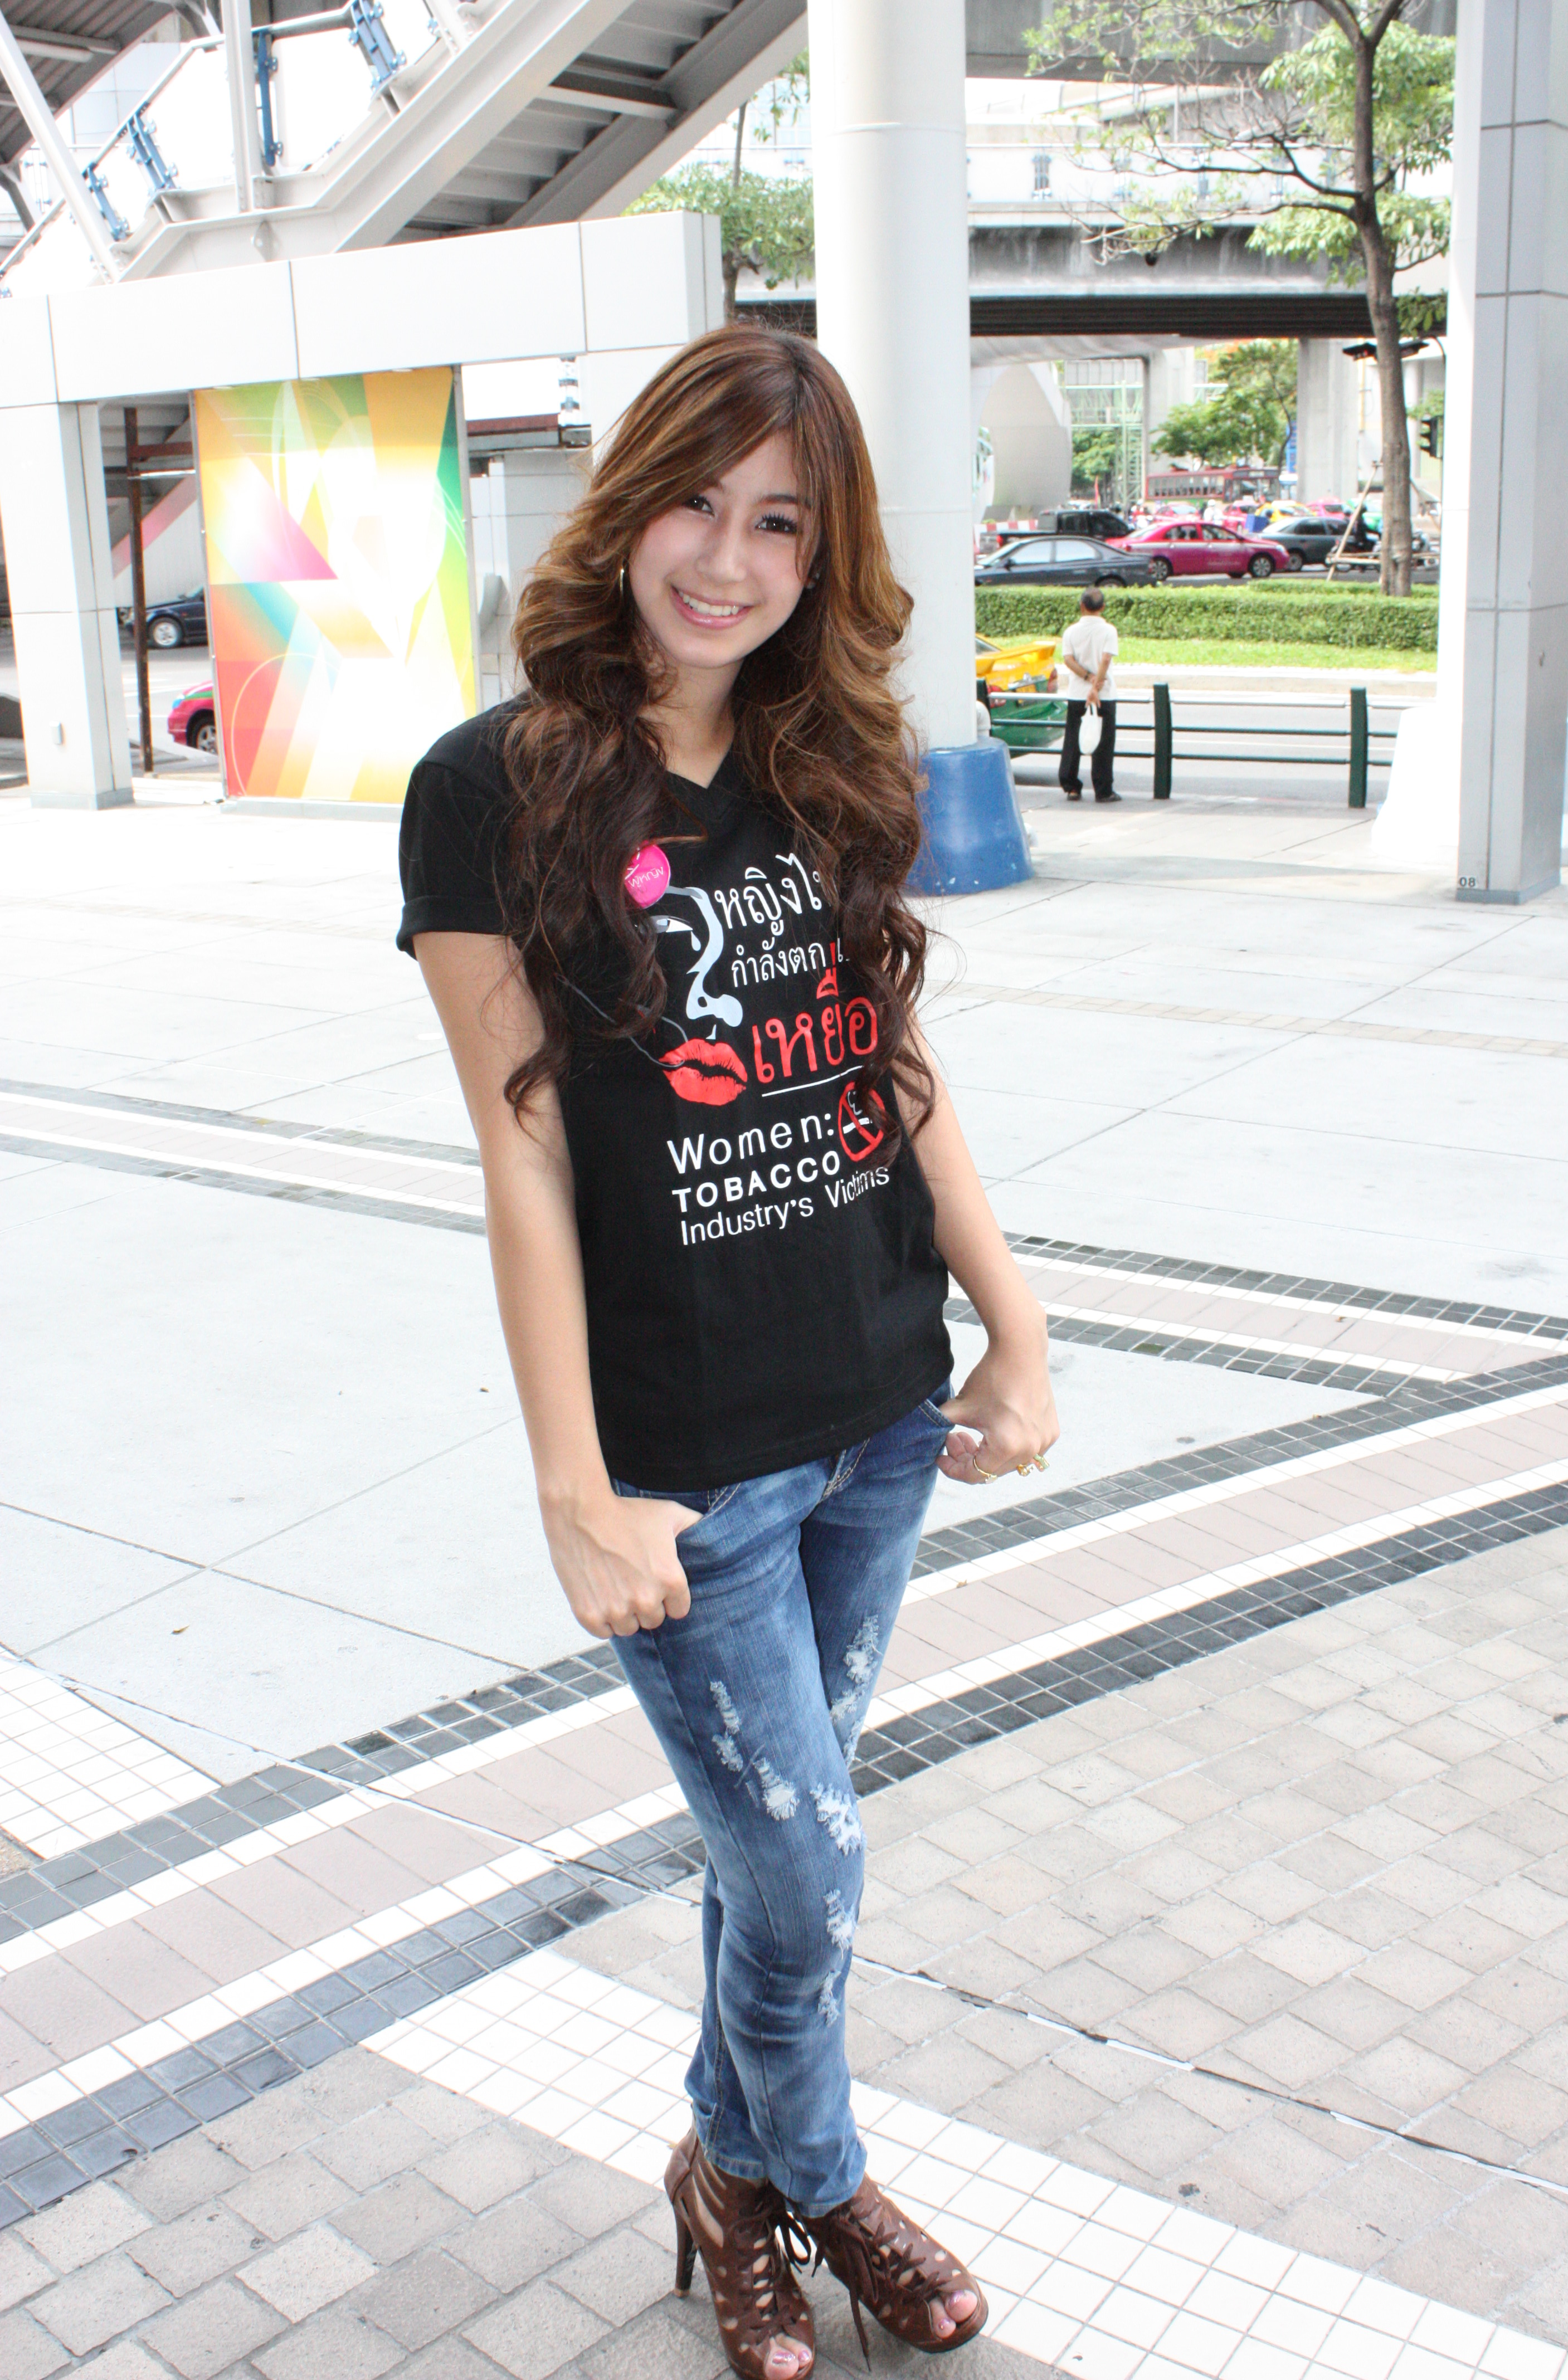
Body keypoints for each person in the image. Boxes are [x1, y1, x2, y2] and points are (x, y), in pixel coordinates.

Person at [397, 325, 1059, 2380]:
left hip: (876, 1406)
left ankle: (722, 2169)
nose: (727, 557)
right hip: (687, 1460)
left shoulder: (823, 762)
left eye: (781, 523)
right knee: (805, 1863)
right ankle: (818, 2177)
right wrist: (573, 1484)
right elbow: (521, 1155)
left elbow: (890, 1065)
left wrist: (1015, 1321)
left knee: (778, 1853)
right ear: (624, 508)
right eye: (695, 500)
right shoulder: (489, 788)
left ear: (821, 556)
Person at [1056, 587, 1120, 803]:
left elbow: (1068, 660)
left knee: (1073, 740)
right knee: (1104, 743)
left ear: (1082, 606)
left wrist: (1087, 677)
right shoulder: (1109, 631)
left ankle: (1071, 786)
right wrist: (1096, 686)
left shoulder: (1071, 632)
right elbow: (1106, 659)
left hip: (1077, 693)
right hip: (1105, 695)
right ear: (1103, 607)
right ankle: (1103, 790)